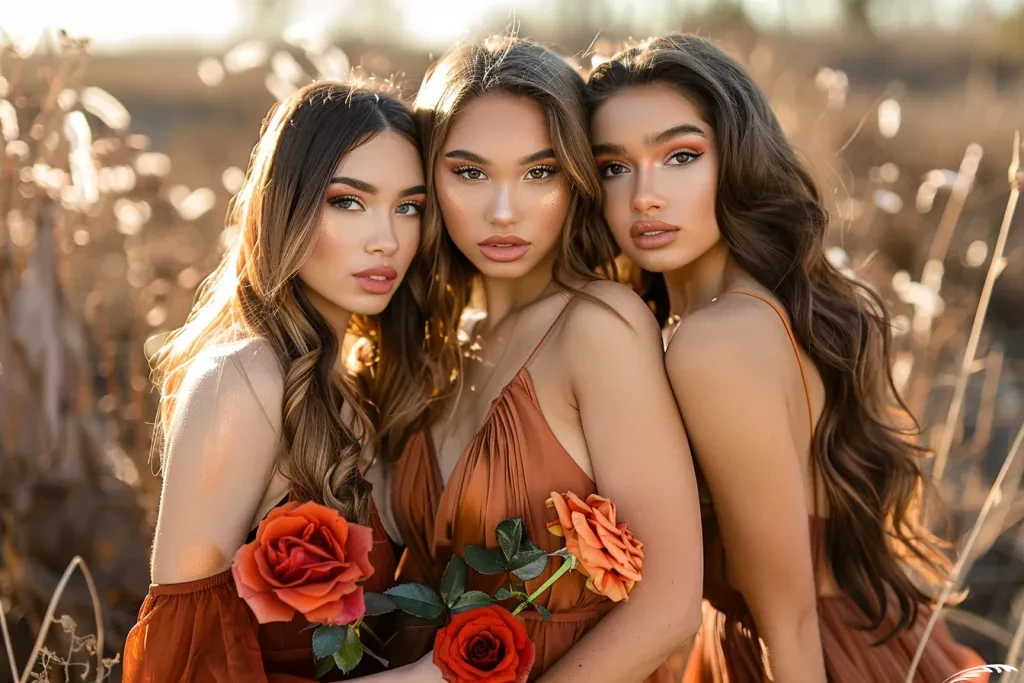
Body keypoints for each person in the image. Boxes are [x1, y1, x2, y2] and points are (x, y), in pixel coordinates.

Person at [585, 33, 987, 683]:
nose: (645, 195)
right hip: (869, 636)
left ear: (739, 159)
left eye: (681, 155)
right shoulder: (764, 307)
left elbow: (789, 616)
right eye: (613, 166)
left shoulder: (714, 342)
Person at [386, 35, 704, 682]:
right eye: (470, 172)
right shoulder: (439, 339)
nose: (504, 211)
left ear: (578, 177)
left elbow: (670, 607)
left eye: (540, 172)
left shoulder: (600, 327)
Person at [122, 81, 447, 682]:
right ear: (286, 208)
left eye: (410, 206)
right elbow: (181, 666)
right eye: (349, 201)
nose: (389, 239)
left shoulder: (364, 377)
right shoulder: (241, 381)